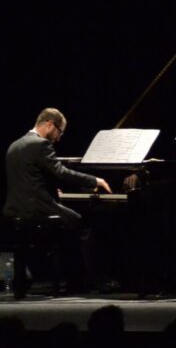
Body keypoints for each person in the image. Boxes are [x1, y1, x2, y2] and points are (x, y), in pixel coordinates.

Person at [3, 108, 112, 292]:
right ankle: (83, 282)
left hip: (14, 209)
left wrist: (51, 190)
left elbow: (29, 179)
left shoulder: (15, 145)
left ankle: (69, 279)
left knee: (68, 225)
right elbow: (61, 173)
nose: (59, 138)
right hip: (37, 209)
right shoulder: (41, 144)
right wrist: (95, 180)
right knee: (81, 225)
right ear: (49, 125)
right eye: (60, 132)